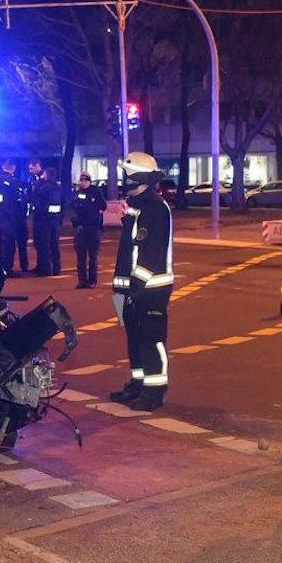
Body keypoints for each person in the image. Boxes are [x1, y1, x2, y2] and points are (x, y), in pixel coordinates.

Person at [109, 152, 173, 411]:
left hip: (150, 289)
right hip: (132, 289)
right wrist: (122, 288)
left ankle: (154, 392)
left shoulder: (154, 208)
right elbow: (129, 252)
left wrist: (136, 286)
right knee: (135, 339)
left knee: (151, 340)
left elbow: (151, 254)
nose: (124, 180)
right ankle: (138, 385)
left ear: (139, 178)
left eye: (127, 175)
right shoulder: (136, 206)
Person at [70, 171, 107, 288]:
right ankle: (82, 281)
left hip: (93, 228)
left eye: (85, 181)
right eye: (81, 181)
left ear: (89, 181)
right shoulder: (77, 192)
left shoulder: (96, 191)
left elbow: (103, 206)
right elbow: (72, 207)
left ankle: (92, 281)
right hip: (81, 228)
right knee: (81, 257)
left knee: (93, 257)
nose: (83, 183)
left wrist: (89, 206)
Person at [28, 160, 65, 276]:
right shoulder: (58, 187)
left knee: (44, 244)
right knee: (54, 244)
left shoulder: (43, 188)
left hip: (43, 221)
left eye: (44, 174)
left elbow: (38, 202)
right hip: (55, 220)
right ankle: (56, 268)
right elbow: (63, 203)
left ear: (47, 175)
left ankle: (45, 269)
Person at [0, 159, 31, 275]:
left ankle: (6, 267)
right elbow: (20, 200)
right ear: (13, 168)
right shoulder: (14, 182)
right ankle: (18, 267)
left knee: (6, 244)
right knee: (14, 244)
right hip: (14, 218)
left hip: (3, 218)